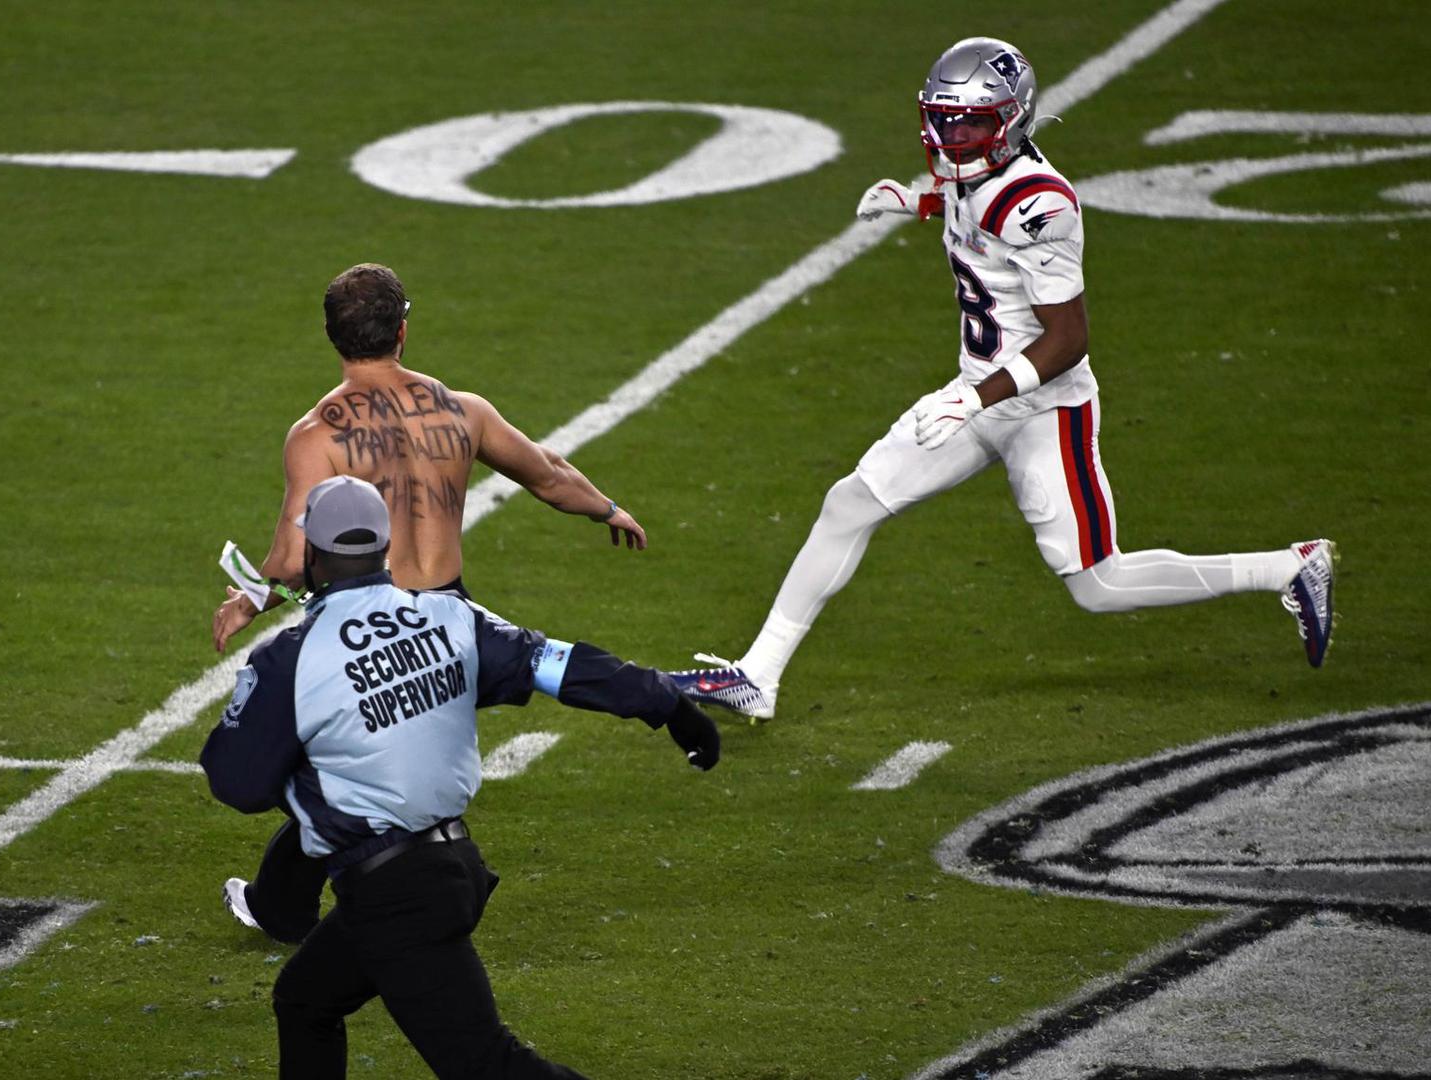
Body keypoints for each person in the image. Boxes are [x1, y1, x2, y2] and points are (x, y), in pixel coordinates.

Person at [668, 37, 1338, 722]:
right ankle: (758, 675)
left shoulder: (1036, 203)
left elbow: (1068, 340)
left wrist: (973, 396)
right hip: (979, 397)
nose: (952, 136)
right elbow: (972, 210)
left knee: (1097, 584)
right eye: (943, 118)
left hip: (1043, 407)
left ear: (1011, 120)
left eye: (972, 122)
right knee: (849, 504)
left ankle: (1288, 567)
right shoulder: (975, 176)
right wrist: (918, 205)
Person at [200, 475, 719, 1080]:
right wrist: (669, 704)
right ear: (386, 547)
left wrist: (306, 764)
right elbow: (562, 664)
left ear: (311, 555)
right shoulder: (450, 616)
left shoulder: (289, 659)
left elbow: (237, 783)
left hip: (394, 894)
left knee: (487, 1066)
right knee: (306, 999)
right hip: (447, 867)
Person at [212, 262, 648, 943]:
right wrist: (609, 509)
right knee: (374, 771)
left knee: (323, 776)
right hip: (453, 623)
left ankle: (350, 899)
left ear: (332, 338)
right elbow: (548, 473)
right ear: (403, 330)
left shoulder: (317, 435)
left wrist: (249, 598)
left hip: (366, 629)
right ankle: (665, 699)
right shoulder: (462, 411)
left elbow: (294, 559)